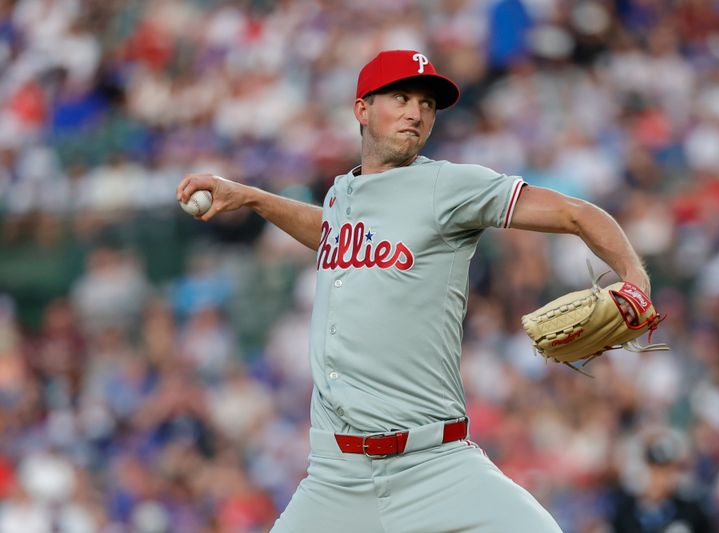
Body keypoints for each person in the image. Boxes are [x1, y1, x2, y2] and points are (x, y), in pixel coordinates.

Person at [177, 49, 650, 532]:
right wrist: (253, 197)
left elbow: (577, 214)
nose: (416, 112)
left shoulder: (447, 187)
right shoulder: (342, 192)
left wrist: (636, 278)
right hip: (336, 477)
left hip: (436, 465)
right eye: (400, 98)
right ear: (362, 110)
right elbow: (332, 233)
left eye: (426, 103)